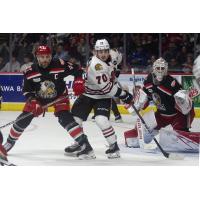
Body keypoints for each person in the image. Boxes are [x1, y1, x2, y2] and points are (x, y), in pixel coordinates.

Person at [3, 45, 95, 159]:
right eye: (42, 57)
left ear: (51, 56)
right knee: (24, 118)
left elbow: (79, 70)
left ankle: (86, 146)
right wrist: (34, 102)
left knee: (65, 119)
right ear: (37, 57)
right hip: (38, 99)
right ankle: (9, 142)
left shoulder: (60, 64)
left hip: (59, 97)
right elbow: (27, 91)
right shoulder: (30, 71)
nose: (45, 59)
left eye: (47, 56)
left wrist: (79, 81)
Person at [64, 39, 133, 159]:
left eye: (105, 51)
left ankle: (114, 146)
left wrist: (115, 70)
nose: (103, 54)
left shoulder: (112, 55)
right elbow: (108, 89)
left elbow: (116, 63)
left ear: (108, 50)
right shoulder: (97, 65)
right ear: (96, 52)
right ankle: (80, 143)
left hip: (102, 97)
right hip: (89, 94)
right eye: (100, 52)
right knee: (75, 120)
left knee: (101, 120)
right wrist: (124, 95)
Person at [124, 58, 198, 152]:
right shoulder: (148, 80)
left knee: (178, 138)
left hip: (176, 116)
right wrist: (137, 103)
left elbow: (186, 107)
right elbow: (146, 97)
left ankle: (184, 134)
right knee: (138, 136)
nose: (160, 70)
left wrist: (185, 102)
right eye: (158, 68)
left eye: (162, 68)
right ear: (153, 69)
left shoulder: (172, 83)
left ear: (166, 69)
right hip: (160, 115)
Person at [91, 48, 123, 122]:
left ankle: (116, 115)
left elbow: (114, 65)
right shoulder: (103, 55)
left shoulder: (111, 54)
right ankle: (103, 114)